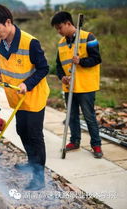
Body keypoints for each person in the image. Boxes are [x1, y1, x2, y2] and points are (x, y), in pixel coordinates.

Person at [0, 4, 50, 190]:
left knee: (34, 136)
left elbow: (44, 68)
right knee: (22, 130)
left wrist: (27, 83)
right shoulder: (0, 42)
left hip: (33, 97)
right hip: (17, 99)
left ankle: (38, 178)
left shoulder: (30, 42)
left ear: (8, 22)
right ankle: (31, 162)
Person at [51, 11, 103, 158]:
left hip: (86, 86)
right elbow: (58, 65)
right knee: (71, 116)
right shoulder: (61, 43)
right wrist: (62, 77)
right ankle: (75, 141)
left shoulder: (88, 37)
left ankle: (96, 145)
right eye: (57, 29)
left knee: (89, 116)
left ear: (69, 23)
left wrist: (81, 61)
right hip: (69, 87)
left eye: (60, 27)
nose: (59, 31)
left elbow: (97, 59)